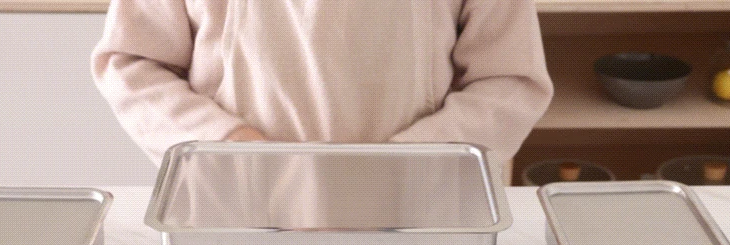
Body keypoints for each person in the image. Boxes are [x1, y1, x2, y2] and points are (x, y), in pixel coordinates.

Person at [91, 1, 553, 179]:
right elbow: (133, 64)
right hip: (236, 202)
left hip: (415, 211)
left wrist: (406, 166)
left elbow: (509, 79)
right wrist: (232, 148)